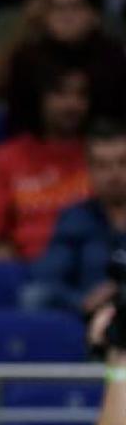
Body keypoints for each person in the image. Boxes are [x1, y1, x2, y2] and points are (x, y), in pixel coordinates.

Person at [0, 60, 92, 260]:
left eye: (81, 95)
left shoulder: (105, 155)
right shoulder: (6, 157)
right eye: (60, 93)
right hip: (25, 268)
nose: (72, 104)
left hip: (91, 266)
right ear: (40, 98)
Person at [21, 119, 126, 312]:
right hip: (89, 317)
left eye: (122, 163)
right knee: (34, 295)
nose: (114, 174)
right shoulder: (77, 219)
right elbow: (46, 278)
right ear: (89, 170)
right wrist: (83, 301)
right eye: (103, 165)